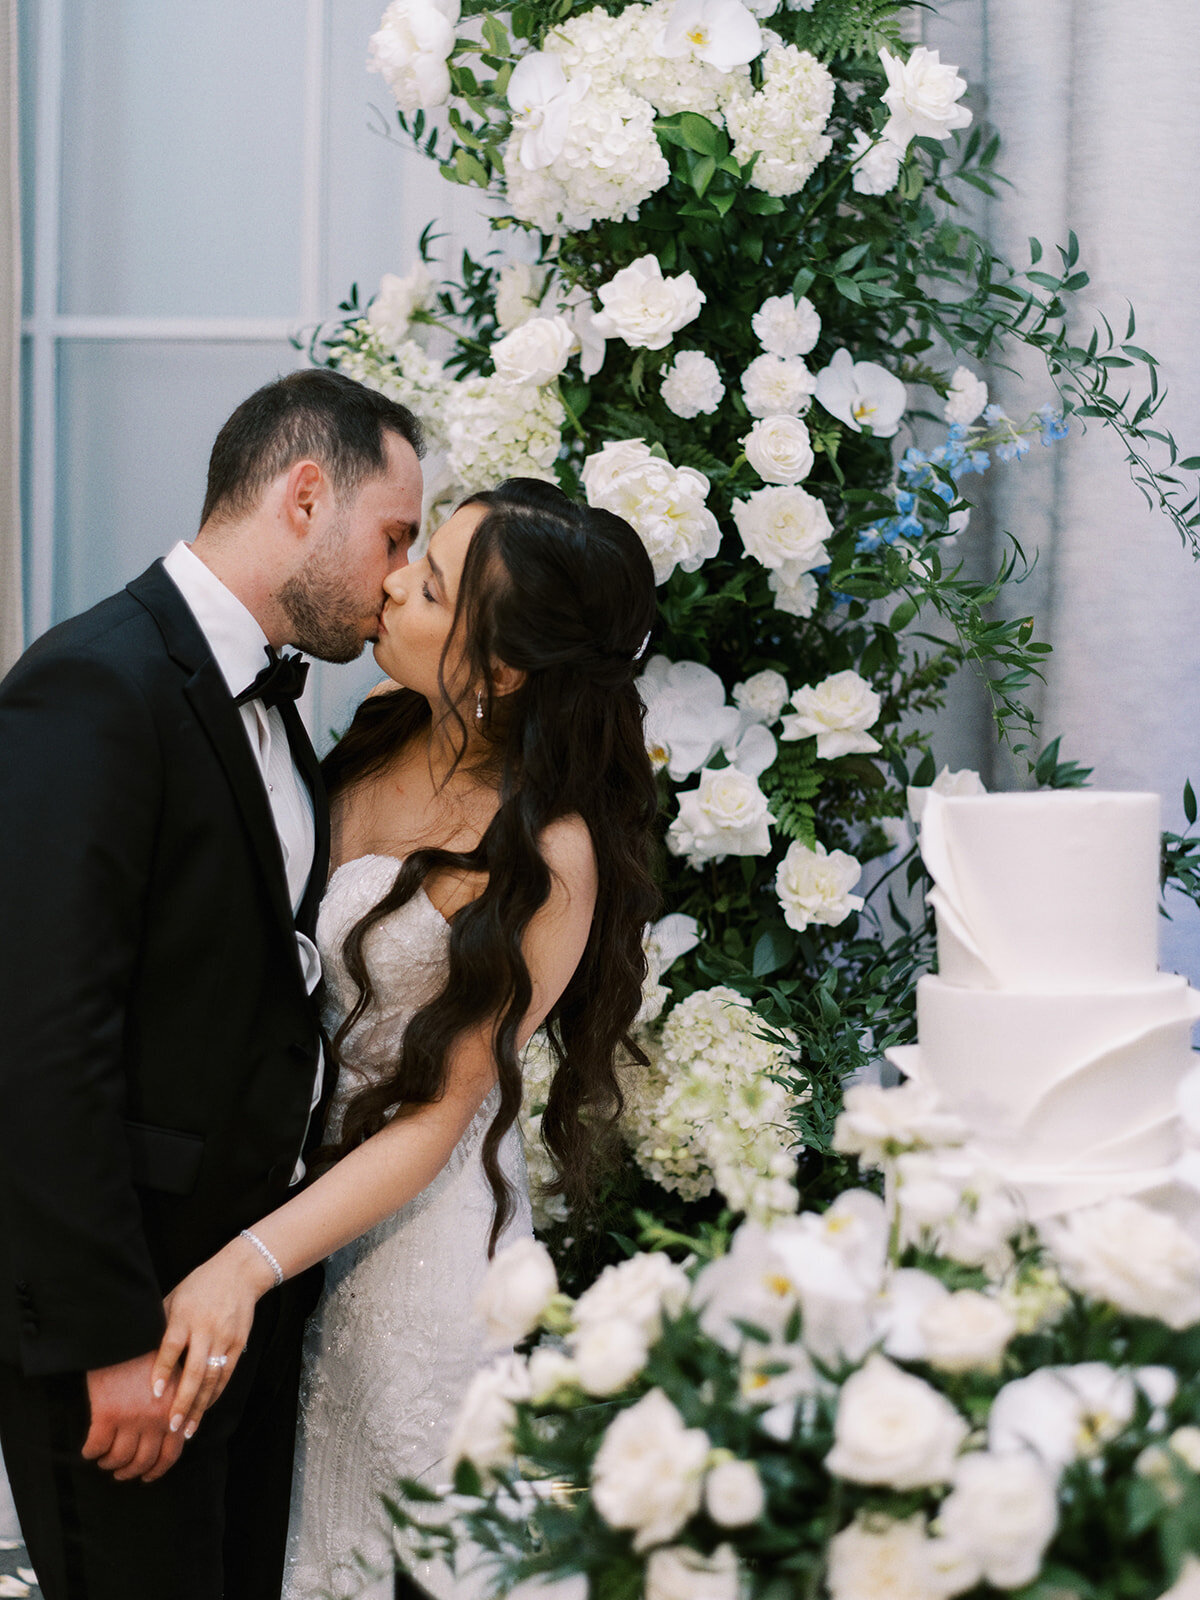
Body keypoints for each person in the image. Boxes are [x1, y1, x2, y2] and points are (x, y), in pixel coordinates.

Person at [146, 477, 660, 1598]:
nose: (392, 582)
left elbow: (436, 1121)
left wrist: (246, 1261)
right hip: (292, 1207)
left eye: (429, 586)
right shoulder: (378, 732)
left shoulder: (548, 852)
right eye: (416, 556)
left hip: (416, 1253)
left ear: (504, 668)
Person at [0, 368, 425, 1600]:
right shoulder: (93, 682)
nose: (398, 577)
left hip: (241, 1308)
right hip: (128, 1326)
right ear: (306, 495)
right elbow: (39, 1041)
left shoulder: (283, 708)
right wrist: (107, 1344)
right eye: (393, 537)